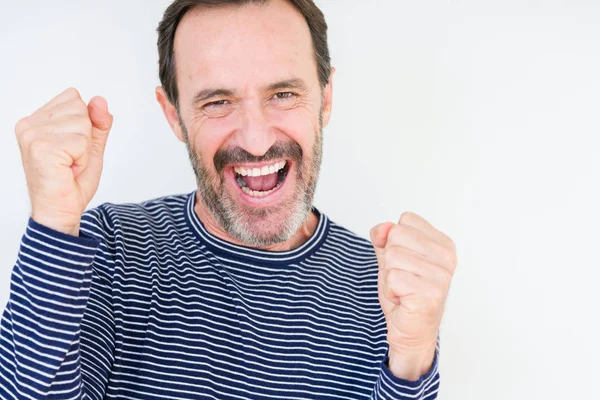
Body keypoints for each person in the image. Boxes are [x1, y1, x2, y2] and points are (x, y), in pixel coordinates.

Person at [0, 0, 457, 399]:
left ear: (325, 98)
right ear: (174, 115)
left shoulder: (383, 287)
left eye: (283, 94)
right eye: (218, 102)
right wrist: (54, 222)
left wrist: (412, 360)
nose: (257, 141)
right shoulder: (107, 250)